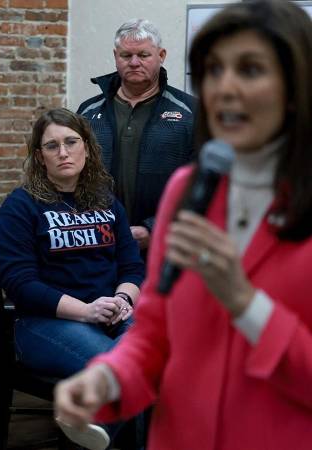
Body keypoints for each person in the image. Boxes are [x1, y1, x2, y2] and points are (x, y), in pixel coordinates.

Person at [55, 2, 312, 449]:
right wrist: (109, 379)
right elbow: (155, 333)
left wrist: (245, 304)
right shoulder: (188, 190)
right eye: (214, 70)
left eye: (250, 70)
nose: (226, 87)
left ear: (296, 85)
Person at [0, 107, 144, 394]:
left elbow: (132, 267)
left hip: (112, 315)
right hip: (45, 323)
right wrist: (86, 311)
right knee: (116, 365)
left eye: (71, 142)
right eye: (52, 146)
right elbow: (21, 285)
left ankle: (98, 433)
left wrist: (123, 299)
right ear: (40, 157)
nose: (63, 152)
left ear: (86, 147)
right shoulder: (21, 207)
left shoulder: (107, 202)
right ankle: (112, 437)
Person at [77, 19, 195, 251]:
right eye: (125, 55)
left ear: (161, 55)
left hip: (165, 245)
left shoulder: (191, 112)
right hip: (97, 244)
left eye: (143, 55)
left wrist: (154, 228)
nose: (134, 62)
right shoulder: (88, 112)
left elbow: (202, 184)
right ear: (115, 56)